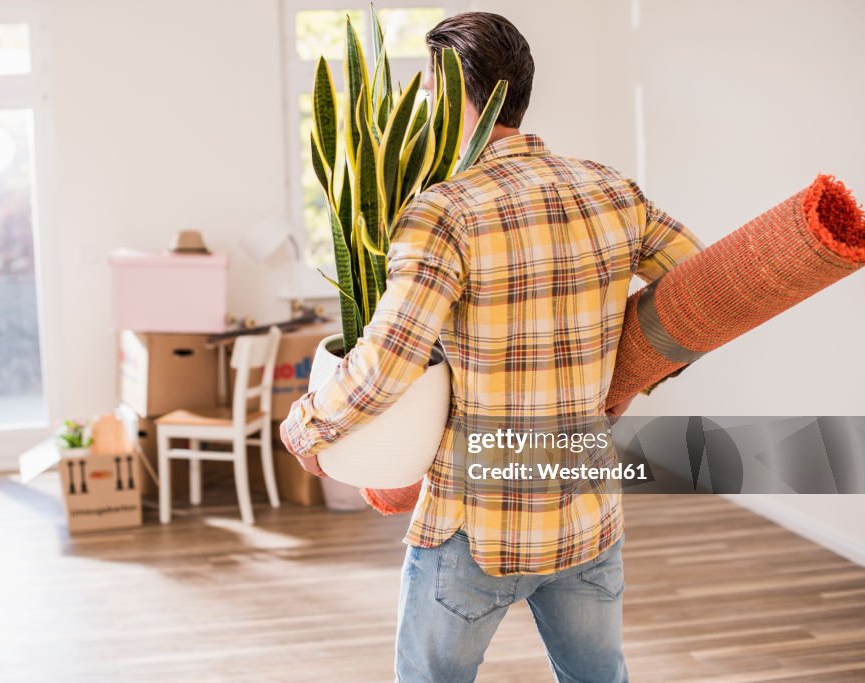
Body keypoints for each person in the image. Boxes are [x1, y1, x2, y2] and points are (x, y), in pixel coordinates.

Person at [280, 11, 703, 683]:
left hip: (476, 527)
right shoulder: (611, 188)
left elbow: (388, 361)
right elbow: (700, 294)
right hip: (584, 513)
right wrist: (630, 376)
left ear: (451, 99)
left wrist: (306, 427)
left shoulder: (445, 211)